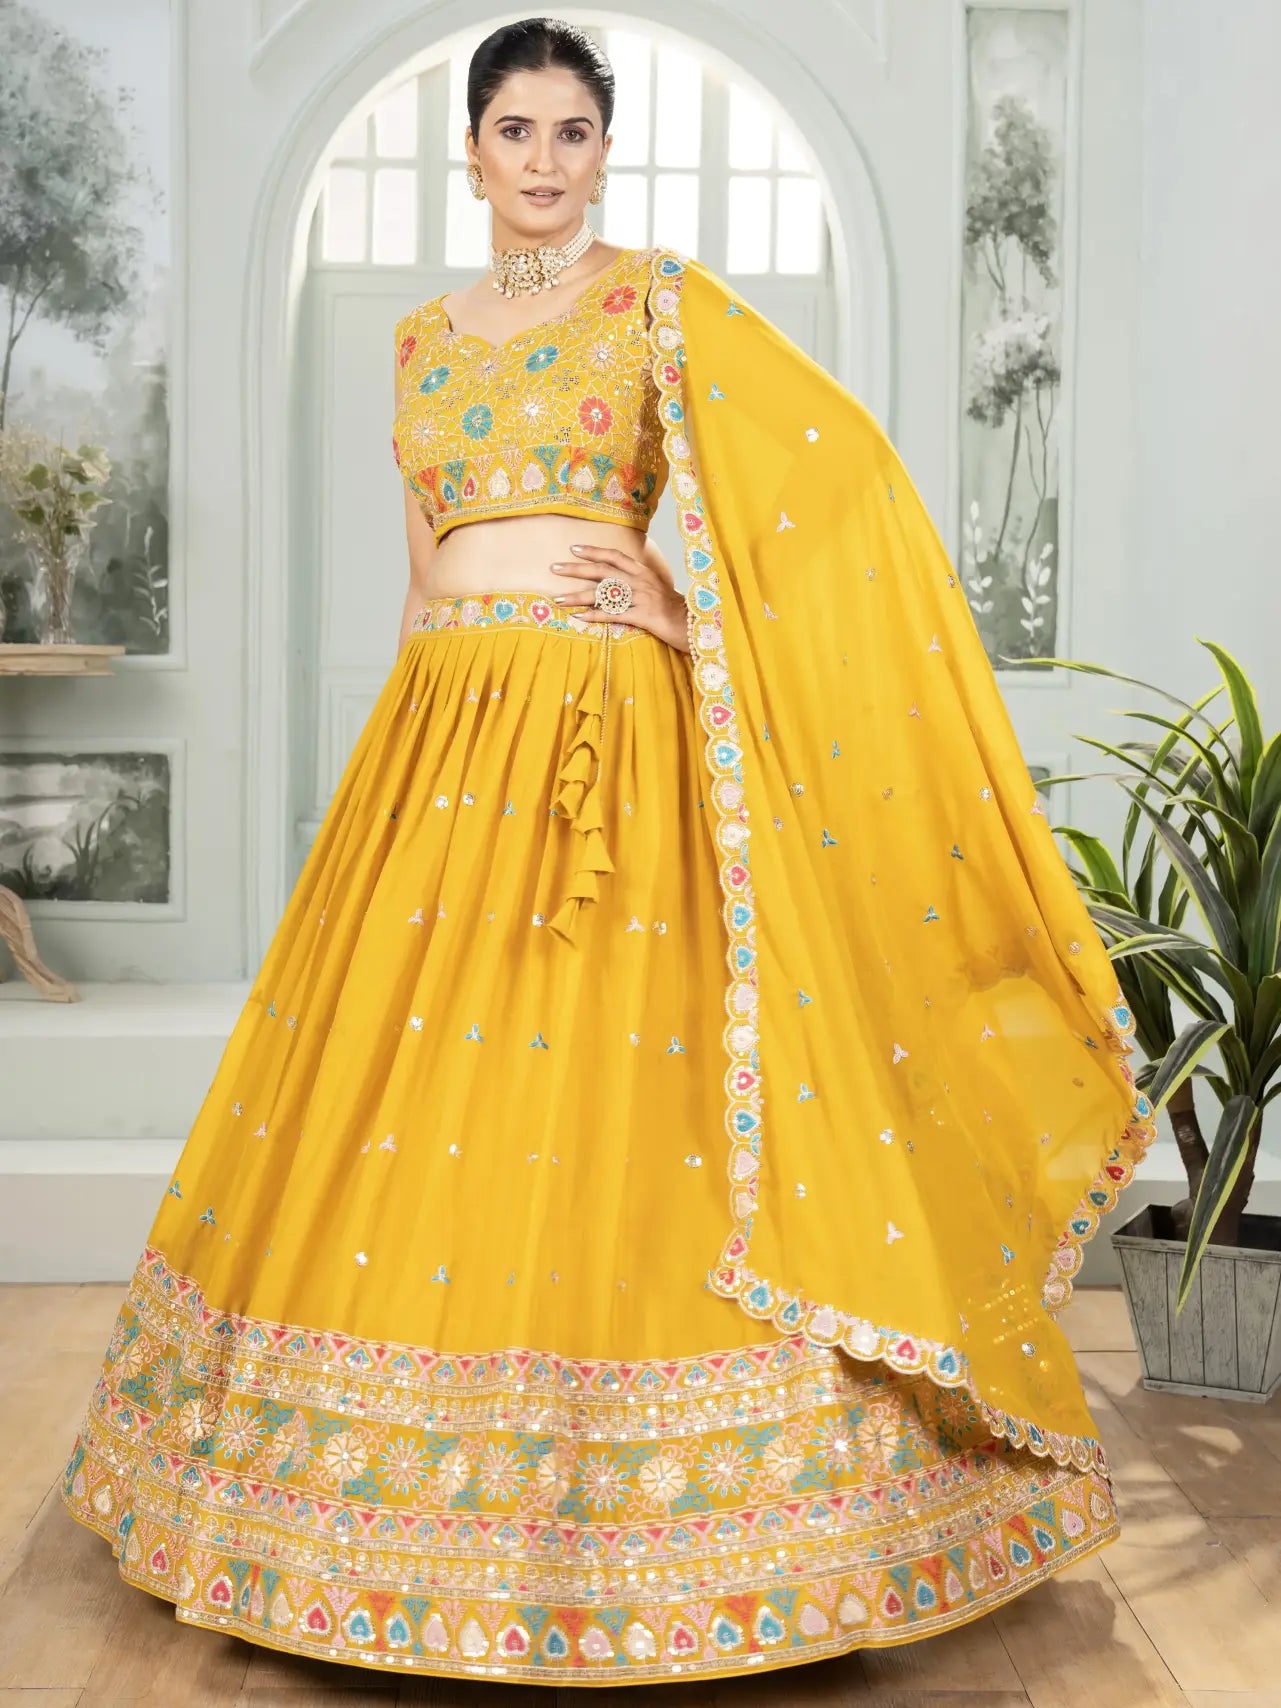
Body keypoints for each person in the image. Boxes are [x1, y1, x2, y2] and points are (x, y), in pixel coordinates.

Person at [60, 15, 1156, 1688]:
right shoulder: (422, 340)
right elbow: (423, 572)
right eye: (516, 131)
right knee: (405, 1090)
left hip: (607, 737)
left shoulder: (661, 304)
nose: (545, 162)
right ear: (475, 149)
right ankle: (347, 1515)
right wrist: (406, 746)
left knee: (615, 1094)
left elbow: (835, 491)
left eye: (574, 133)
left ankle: (706, 1527)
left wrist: (678, 599)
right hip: (442, 734)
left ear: (603, 149)